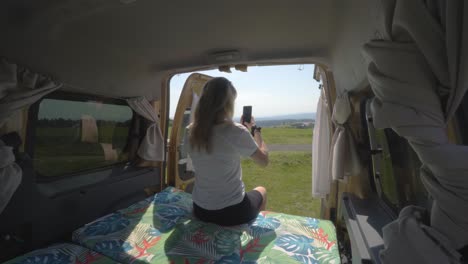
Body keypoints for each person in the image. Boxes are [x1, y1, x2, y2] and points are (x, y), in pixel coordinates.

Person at [187, 77, 269, 226]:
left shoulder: (190, 131)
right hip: (233, 212)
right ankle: (253, 231)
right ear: (228, 104)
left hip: (201, 210)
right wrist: (255, 130)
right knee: (262, 190)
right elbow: (264, 161)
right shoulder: (236, 131)